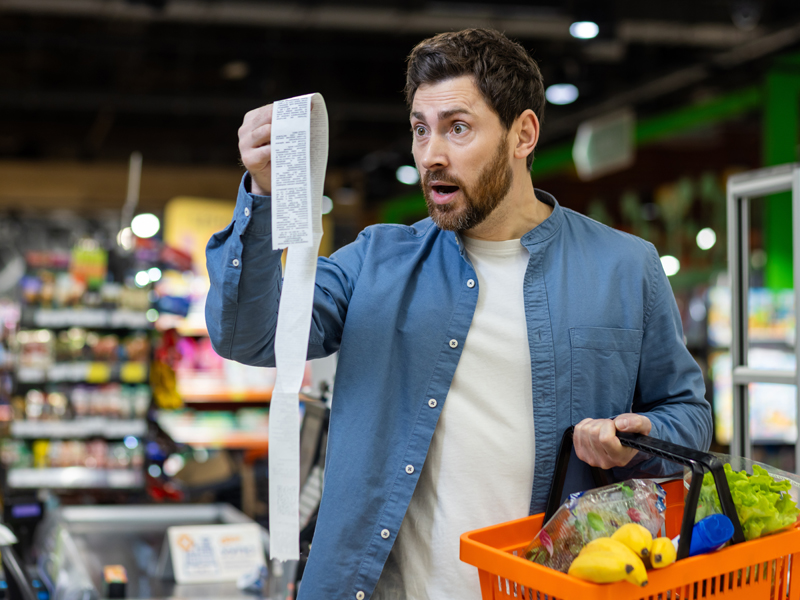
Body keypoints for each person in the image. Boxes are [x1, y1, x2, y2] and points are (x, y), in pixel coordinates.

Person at [206, 28, 711, 600]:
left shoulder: (625, 266)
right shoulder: (376, 259)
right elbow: (250, 335)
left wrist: (641, 439)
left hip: (547, 583)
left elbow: (686, 415)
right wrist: (263, 196)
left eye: (458, 128)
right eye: (421, 130)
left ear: (523, 134)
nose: (431, 155)